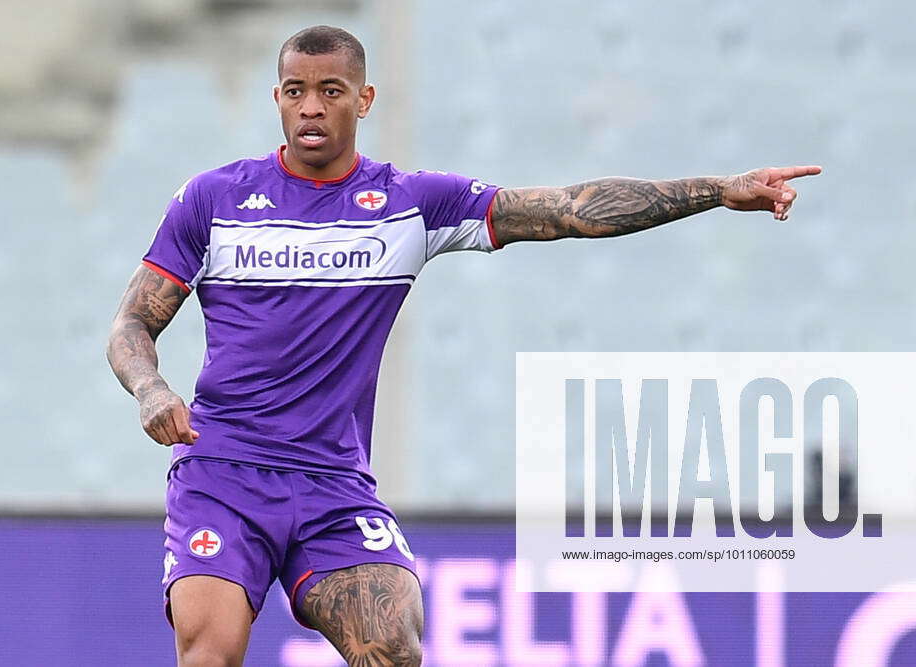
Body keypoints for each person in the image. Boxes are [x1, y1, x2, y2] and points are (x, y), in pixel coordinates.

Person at [106, 24, 820, 667]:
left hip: (331, 486)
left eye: (331, 90)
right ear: (277, 97)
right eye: (296, 91)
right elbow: (132, 323)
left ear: (365, 98)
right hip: (224, 472)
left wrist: (719, 191)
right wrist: (151, 387)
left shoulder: (410, 205)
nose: (312, 107)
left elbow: (570, 210)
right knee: (211, 651)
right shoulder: (214, 200)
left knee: (392, 643)